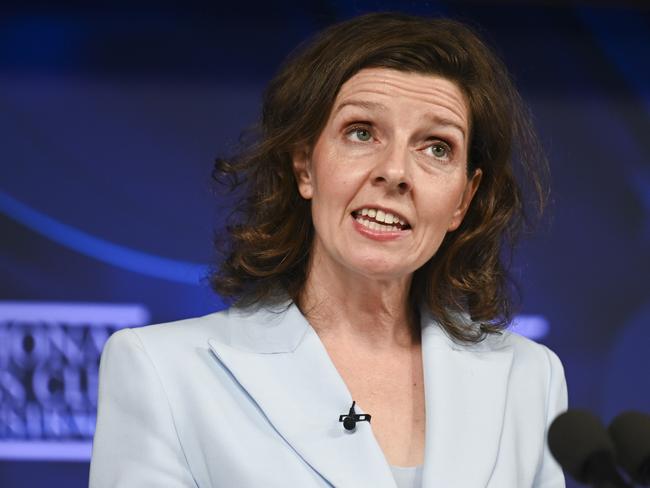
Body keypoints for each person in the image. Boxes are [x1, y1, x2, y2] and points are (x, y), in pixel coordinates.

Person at [89, 12, 567, 488]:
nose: (395, 171)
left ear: (463, 198)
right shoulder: (164, 371)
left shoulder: (529, 379)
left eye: (437, 147)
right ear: (305, 166)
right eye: (361, 132)